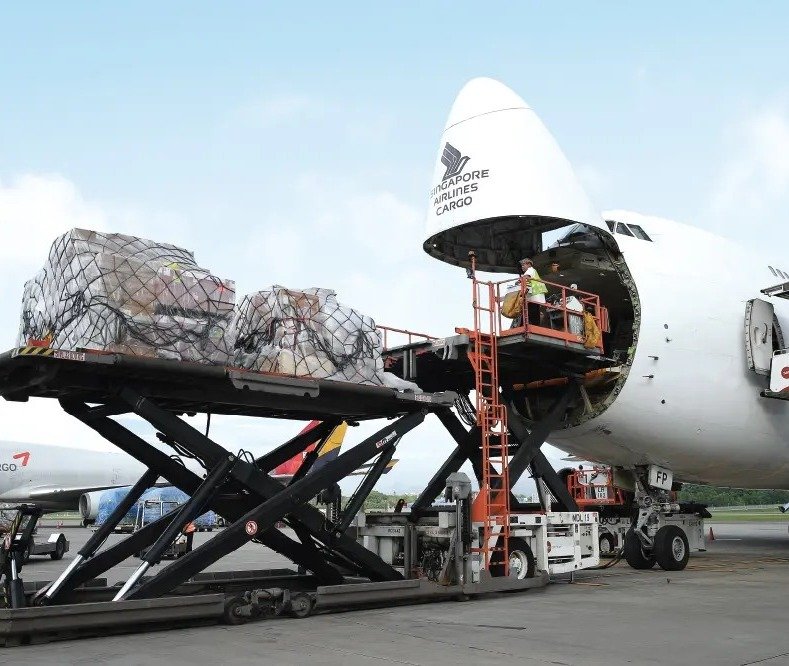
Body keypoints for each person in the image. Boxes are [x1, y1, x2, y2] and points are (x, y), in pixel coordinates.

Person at [519, 258, 548, 326]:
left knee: (531, 310)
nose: (522, 267)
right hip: (535, 294)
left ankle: (523, 325)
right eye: (521, 265)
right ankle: (533, 325)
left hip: (535, 294)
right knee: (533, 310)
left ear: (529, 264)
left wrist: (518, 281)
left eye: (523, 265)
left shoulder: (530, 270)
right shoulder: (532, 271)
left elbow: (526, 277)